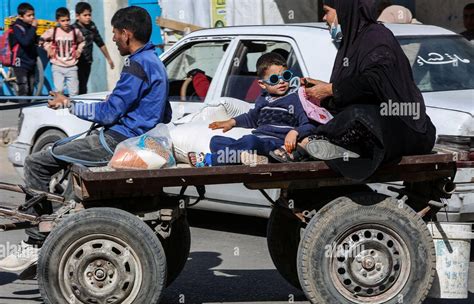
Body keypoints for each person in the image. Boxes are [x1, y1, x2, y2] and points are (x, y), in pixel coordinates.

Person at [0, 6, 172, 274]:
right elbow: (162, 111)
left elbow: (108, 113)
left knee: (36, 162)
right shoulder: (155, 61)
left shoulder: (136, 64)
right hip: (131, 137)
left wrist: (69, 104)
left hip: (116, 140)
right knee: (69, 160)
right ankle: (60, 223)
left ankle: (35, 240)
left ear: (126, 34)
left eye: (115, 33)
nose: (113, 39)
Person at [284, 0, 436, 181]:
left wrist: (331, 89)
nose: (324, 18)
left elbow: (375, 81)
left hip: (405, 127)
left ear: (345, 10)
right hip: (378, 125)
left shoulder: (376, 37)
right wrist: (320, 87)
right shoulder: (353, 42)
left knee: (358, 116)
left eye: (327, 12)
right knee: (350, 115)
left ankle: (315, 141)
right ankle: (321, 143)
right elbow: (355, 88)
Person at [187, 52, 319, 167]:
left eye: (286, 76)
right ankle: (245, 158)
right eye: (274, 79)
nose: (282, 82)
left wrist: (295, 132)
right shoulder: (263, 99)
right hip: (258, 140)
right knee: (216, 141)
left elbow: (309, 124)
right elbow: (251, 118)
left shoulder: (294, 99)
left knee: (249, 141)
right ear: (262, 84)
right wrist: (232, 122)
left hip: (275, 145)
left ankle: (210, 159)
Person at [40, 7, 85, 96]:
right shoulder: (54, 31)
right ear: (57, 21)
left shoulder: (75, 32)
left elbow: (82, 41)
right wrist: (48, 48)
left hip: (72, 66)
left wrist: (79, 50)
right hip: (57, 66)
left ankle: (73, 109)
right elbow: (41, 40)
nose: (66, 23)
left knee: (74, 92)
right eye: (63, 21)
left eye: (68, 20)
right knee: (59, 91)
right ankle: (60, 108)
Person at [73, 2, 115, 94]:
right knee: (77, 87)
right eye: (85, 15)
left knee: (83, 87)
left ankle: (81, 105)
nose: (88, 17)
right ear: (77, 16)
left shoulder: (92, 26)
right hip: (75, 63)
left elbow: (100, 43)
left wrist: (109, 59)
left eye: (89, 15)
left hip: (87, 62)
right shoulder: (73, 29)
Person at [10, 2, 38, 97]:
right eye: (29, 15)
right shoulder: (17, 27)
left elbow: (33, 41)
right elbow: (25, 42)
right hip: (20, 62)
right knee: (24, 89)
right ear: (21, 17)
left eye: (33, 15)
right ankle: (22, 110)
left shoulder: (30, 27)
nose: (32, 17)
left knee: (30, 89)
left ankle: (27, 111)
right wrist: (34, 28)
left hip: (30, 61)